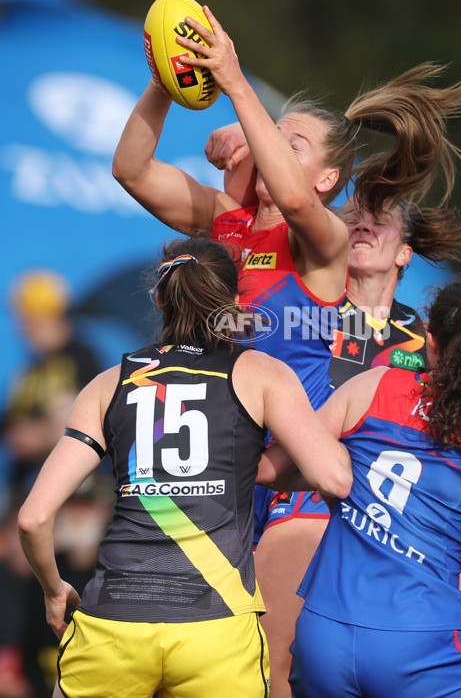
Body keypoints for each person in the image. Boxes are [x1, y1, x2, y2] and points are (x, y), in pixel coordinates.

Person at [113, 5, 461, 697]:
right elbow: (131, 169)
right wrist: (167, 79)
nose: (268, 146)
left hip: (292, 484)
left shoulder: (321, 246)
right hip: (221, 483)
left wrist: (237, 83)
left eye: (293, 142)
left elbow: (285, 189)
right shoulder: (221, 225)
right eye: (271, 137)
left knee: (279, 671)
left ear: (324, 183)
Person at [17, 236, 352, 698]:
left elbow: (33, 518)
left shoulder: (109, 382)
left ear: (159, 297)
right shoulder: (259, 373)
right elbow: (333, 477)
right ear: (235, 301)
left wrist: (55, 591)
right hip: (216, 628)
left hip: (113, 624)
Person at [288, 277, 461, 697]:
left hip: (325, 636)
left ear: (431, 341)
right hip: (422, 646)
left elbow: (290, 463)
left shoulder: (372, 386)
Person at [1, 269, 100, 496]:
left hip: (72, 489)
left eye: (27, 320)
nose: (21, 329)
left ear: (49, 316)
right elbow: (9, 420)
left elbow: (91, 422)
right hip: (25, 485)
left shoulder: (81, 358)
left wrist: (41, 436)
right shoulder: (30, 368)